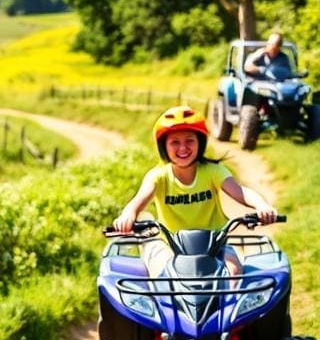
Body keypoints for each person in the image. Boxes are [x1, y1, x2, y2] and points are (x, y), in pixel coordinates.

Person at [113, 105, 278, 276]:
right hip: (171, 245)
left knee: (234, 271)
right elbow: (139, 200)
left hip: (215, 243)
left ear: (200, 142)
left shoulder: (213, 171)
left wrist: (262, 206)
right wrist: (128, 215)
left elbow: (240, 192)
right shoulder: (158, 176)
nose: (183, 148)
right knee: (162, 277)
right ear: (164, 146)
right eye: (174, 142)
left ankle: (230, 304)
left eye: (189, 140)